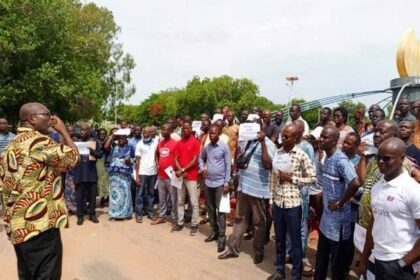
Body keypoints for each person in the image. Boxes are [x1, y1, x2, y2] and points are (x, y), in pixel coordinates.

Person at [0, 102, 79, 279]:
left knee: (28, 274)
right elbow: (73, 159)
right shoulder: (39, 142)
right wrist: (63, 131)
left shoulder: (13, 144)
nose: (51, 119)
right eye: (47, 114)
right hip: (39, 224)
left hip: (18, 225)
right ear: (32, 119)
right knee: (46, 274)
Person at [360, 137, 420, 280]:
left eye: (386, 159)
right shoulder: (378, 187)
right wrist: (364, 258)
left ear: (402, 158)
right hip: (377, 258)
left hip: (400, 265)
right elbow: (373, 224)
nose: (380, 162)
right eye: (378, 157)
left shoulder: (412, 190)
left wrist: (402, 263)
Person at [218, 120, 275, 265]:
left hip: (259, 190)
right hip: (243, 187)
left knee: (258, 223)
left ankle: (258, 251)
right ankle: (233, 248)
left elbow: (268, 165)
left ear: (261, 129)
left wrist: (262, 142)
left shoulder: (269, 144)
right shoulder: (245, 141)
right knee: (238, 218)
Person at [267, 124, 316, 280]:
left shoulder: (301, 155)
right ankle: (280, 270)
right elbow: (273, 178)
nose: (283, 138)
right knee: (279, 239)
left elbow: (312, 178)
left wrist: (292, 179)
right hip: (278, 202)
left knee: (295, 242)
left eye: (287, 136)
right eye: (283, 135)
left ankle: (296, 275)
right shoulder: (278, 153)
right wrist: (271, 201)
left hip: (293, 204)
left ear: (295, 138)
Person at [314, 126, 361, 280]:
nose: (321, 139)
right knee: (321, 259)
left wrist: (340, 203)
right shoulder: (327, 157)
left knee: (337, 265)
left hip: (339, 222)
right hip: (327, 218)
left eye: (325, 137)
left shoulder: (341, 160)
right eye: (321, 136)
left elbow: (355, 183)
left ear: (335, 141)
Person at [359, 120, 411, 229]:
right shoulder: (375, 158)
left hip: (381, 230)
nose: (376, 135)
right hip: (365, 225)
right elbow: (365, 184)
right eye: (375, 131)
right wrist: (362, 158)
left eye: (382, 132)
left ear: (394, 136)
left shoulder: (399, 165)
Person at [199, 125, 231, 252]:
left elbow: (228, 165)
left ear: (219, 134)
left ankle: (222, 238)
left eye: (214, 133)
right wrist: (202, 169)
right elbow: (201, 157)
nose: (211, 135)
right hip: (208, 183)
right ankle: (214, 231)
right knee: (210, 209)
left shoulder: (224, 147)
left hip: (220, 184)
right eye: (210, 133)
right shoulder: (207, 147)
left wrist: (227, 183)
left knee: (221, 211)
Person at [172, 122, 201, 235]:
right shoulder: (179, 142)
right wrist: (180, 170)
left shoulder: (195, 142)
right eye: (183, 129)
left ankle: (194, 224)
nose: (185, 130)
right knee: (180, 201)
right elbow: (175, 158)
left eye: (187, 128)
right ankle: (180, 223)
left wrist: (183, 170)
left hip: (191, 176)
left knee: (193, 202)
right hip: (180, 176)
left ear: (191, 129)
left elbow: (195, 160)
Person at [73, 124, 102, 225]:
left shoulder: (94, 142)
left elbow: (100, 155)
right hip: (79, 173)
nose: (82, 132)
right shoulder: (76, 143)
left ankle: (92, 215)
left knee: (92, 197)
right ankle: (80, 216)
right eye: (81, 130)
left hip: (91, 174)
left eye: (84, 130)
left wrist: (92, 151)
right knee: (79, 196)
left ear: (89, 131)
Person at [103, 132, 135, 220]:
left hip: (125, 173)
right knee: (114, 193)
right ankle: (114, 214)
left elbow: (134, 159)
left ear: (126, 139)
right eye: (119, 138)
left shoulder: (130, 147)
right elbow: (105, 147)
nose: (121, 140)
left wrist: (129, 162)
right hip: (114, 174)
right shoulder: (114, 146)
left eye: (123, 138)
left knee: (126, 193)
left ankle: (126, 214)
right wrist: (111, 136)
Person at [153, 124, 178, 225]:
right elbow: (156, 154)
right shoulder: (160, 143)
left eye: (165, 130)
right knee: (162, 198)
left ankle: (175, 218)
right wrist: (157, 163)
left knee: (173, 199)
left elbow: (178, 158)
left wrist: (175, 170)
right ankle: (162, 216)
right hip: (161, 176)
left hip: (171, 176)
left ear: (170, 131)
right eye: (162, 130)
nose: (163, 132)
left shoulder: (175, 143)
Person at [134, 126, 158, 223]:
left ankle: (150, 212)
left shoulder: (156, 143)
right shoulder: (139, 144)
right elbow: (137, 161)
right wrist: (137, 175)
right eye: (144, 132)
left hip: (153, 172)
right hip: (143, 172)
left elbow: (157, 156)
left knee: (151, 193)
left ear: (151, 133)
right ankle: (138, 214)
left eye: (147, 132)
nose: (145, 133)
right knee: (140, 193)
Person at [96, 128, 110, 208]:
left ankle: (106, 198)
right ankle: (101, 197)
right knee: (99, 181)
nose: (102, 135)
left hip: (106, 163)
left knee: (106, 181)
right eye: (100, 134)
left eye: (103, 134)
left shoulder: (108, 142)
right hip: (98, 164)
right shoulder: (95, 142)